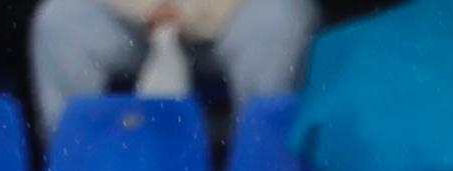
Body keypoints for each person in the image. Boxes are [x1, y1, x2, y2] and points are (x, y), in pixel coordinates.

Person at [26, 0, 308, 130]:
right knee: (59, 20)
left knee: (280, 18)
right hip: (136, 22)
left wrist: (189, 11)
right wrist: (149, 8)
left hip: (231, 19)